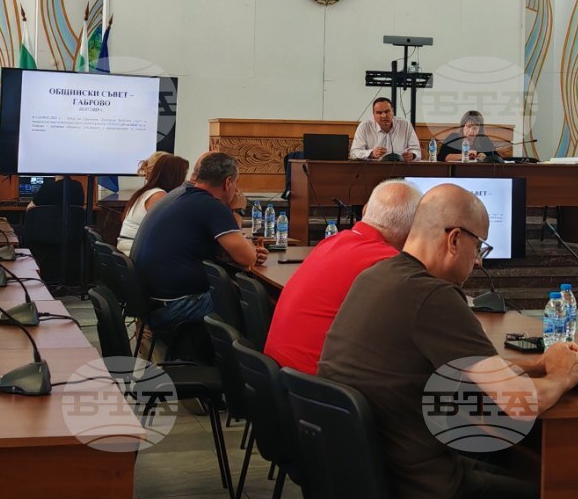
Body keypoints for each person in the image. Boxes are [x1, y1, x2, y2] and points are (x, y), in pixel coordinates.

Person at [318, 184, 578, 499]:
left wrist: (533, 366)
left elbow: (469, 371)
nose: (479, 262)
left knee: (492, 453)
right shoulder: (433, 296)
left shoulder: (377, 277)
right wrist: (563, 376)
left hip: (361, 487)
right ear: (454, 239)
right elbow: (519, 404)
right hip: (415, 494)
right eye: (479, 247)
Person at [261, 180, 421, 499]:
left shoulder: (334, 244)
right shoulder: (388, 265)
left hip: (295, 412)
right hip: (334, 429)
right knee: (451, 441)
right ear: (411, 229)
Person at [267, 181, 420, 374]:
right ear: (414, 229)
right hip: (317, 383)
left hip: (278, 376)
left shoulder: (331, 241)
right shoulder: (388, 262)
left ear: (365, 210)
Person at [130, 151, 264, 358]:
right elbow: (248, 258)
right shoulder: (211, 205)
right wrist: (238, 209)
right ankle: (247, 367)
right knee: (252, 302)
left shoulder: (177, 195)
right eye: (236, 183)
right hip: (175, 306)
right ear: (228, 182)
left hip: (150, 302)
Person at [117, 153, 189, 255]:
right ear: (174, 176)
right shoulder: (159, 196)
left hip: (129, 250)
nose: (185, 180)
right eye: (183, 175)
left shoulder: (146, 192)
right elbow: (171, 230)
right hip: (136, 252)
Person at [349, 97, 421, 161]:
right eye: (379, 113)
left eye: (387, 111)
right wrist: (371, 153)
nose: (384, 116)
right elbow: (354, 153)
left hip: (401, 168)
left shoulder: (405, 125)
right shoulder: (364, 127)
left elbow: (417, 151)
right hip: (373, 169)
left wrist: (412, 155)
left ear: (392, 112)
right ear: (373, 114)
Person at [434, 110, 501, 162]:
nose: (471, 131)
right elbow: (442, 157)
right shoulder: (453, 137)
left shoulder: (483, 139)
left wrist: (484, 157)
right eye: (468, 126)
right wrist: (465, 155)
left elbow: (497, 158)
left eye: (475, 128)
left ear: (479, 130)